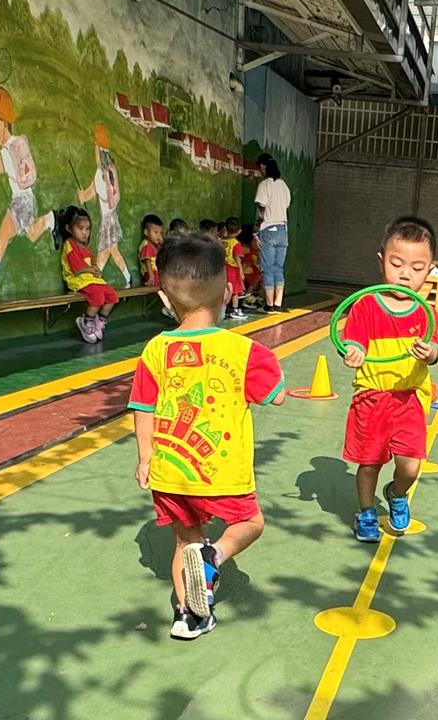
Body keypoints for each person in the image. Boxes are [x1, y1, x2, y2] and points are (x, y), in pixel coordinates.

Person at [127, 233, 285, 639]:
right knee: (250, 522)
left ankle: (188, 617)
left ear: (164, 299)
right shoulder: (244, 351)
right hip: (222, 471)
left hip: (171, 471)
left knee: (185, 542)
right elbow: (276, 395)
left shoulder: (154, 350)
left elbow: (142, 408)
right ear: (227, 291)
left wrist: (145, 457)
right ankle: (216, 555)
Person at [340, 216, 438, 543]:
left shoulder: (425, 312)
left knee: (410, 466)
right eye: (396, 264)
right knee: (369, 463)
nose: (405, 273)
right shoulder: (366, 305)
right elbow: (354, 341)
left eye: (417, 267)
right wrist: (354, 351)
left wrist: (430, 353)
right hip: (371, 396)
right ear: (381, 260)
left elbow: (435, 349)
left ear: (429, 270)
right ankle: (367, 511)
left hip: (409, 398)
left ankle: (397, 493)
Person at [0, 87, 60, 290]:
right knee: (26, 233)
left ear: (4, 123)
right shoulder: (16, 144)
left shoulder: (8, 149)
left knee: (7, 234)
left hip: (21, 201)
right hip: (24, 199)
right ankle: (51, 219)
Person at [77, 124, 131, 287]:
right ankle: (127, 278)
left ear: (99, 153)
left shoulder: (99, 174)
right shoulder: (112, 170)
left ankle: (95, 280)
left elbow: (88, 194)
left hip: (107, 219)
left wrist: (81, 195)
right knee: (112, 250)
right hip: (113, 216)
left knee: (105, 251)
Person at [60, 205, 118, 343]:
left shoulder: (85, 248)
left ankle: (99, 321)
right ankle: (86, 321)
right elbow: (76, 269)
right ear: (69, 228)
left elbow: (90, 265)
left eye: (87, 229)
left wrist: (95, 269)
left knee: (112, 296)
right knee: (98, 296)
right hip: (77, 279)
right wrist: (90, 269)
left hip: (89, 279)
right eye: (80, 228)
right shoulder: (69, 244)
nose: (85, 233)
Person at [253, 154, 291, 312]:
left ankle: (269, 305)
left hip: (268, 229)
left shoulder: (265, 185)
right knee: (278, 268)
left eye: (259, 167)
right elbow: (287, 208)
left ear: (263, 166)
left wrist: (255, 233)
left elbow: (261, 210)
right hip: (283, 230)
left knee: (268, 268)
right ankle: (278, 303)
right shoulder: (284, 185)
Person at [221, 216, 247, 320]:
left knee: (225, 289)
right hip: (233, 270)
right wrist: (241, 271)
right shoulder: (236, 244)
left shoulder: (222, 241)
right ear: (239, 231)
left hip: (224, 268)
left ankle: (222, 309)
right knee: (235, 291)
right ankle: (235, 309)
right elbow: (237, 259)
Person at [138, 214, 164, 288]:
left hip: (157, 274)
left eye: (161, 233)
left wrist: (161, 243)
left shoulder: (155, 245)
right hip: (150, 275)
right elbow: (147, 261)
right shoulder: (146, 245)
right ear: (146, 232)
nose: (158, 235)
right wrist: (151, 276)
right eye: (156, 232)